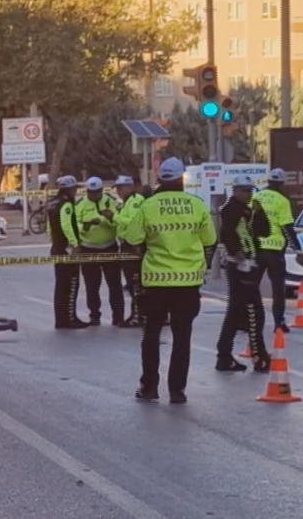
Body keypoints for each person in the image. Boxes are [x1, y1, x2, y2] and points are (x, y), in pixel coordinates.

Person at [123, 157, 217, 404]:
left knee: (151, 335)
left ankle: (149, 386)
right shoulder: (196, 205)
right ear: (181, 179)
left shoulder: (148, 206)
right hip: (188, 283)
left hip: (156, 282)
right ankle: (177, 390)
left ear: (160, 179)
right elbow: (209, 240)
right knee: (182, 337)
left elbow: (132, 238)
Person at [216, 176, 272, 374]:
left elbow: (264, 232)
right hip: (240, 266)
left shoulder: (249, 211)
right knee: (253, 312)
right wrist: (240, 258)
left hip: (249, 263)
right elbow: (227, 236)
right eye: (246, 191)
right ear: (237, 191)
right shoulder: (230, 210)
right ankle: (259, 356)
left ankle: (224, 355)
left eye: (251, 191)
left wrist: (260, 212)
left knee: (235, 313)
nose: (249, 195)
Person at [75, 177, 125, 326]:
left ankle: (118, 316)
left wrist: (107, 220)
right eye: (91, 192)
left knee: (114, 284)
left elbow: (118, 220)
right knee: (92, 285)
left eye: (96, 192)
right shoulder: (81, 204)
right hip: (88, 248)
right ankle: (94, 315)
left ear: (102, 190)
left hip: (109, 246)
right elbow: (74, 223)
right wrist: (86, 225)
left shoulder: (110, 201)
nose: (94, 195)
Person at [254, 168, 298, 333]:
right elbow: (287, 226)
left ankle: (249, 321)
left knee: (251, 287)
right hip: (274, 251)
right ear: (282, 182)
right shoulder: (282, 200)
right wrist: (297, 246)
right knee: (278, 289)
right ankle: (279, 322)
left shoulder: (256, 197)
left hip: (257, 249)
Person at [47, 175, 88, 330]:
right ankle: (69, 318)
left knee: (60, 285)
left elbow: (49, 226)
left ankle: (61, 318)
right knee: (71, 284)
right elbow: (66, 225)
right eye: (75, 188)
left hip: (57, 248)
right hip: (67, 250)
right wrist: (74, 244)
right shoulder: (66, 204)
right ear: (70, 188)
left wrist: (53, 241)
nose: (76, 191)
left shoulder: (52, 203)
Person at [113, 175, 146, 327]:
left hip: (133, 246)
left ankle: (138, 315)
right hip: (127, 245)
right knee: (133, 283)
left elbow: (134, 222)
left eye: (121, 188)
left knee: (135, 283)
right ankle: (139, 313)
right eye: (117, 188)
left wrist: (115, 217)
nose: (118, 191)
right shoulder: (127, 202)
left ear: (130, 187)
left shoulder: (135, 201)